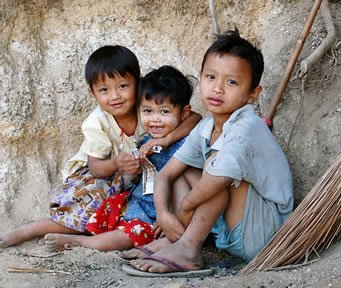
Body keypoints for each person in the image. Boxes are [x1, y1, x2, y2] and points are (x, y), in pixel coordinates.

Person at [0, 46, 200, 249]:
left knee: (114, 216)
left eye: (123, 86)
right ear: (92, 92)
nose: (115, 96)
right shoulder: (97, 121)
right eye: (104, 90)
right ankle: (29, 230)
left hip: (134, 180)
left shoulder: (148, 108)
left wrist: (166, 140)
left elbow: (195, 118)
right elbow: (96, 168)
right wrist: (117, 162)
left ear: (137, 84)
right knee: (83, 215)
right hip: (100, 177)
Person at [128, 29, 294, 274]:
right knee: (185, 168)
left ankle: (187, 248)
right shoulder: (206, 125)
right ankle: (178, 239)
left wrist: (184, 209)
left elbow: (217, 180)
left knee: (215, 168)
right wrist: (164, 215)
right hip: (230, 229)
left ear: (253, 94)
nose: (217, 89)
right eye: (211, 77)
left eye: (232, 82)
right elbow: (166, 174)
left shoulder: (246, 126)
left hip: (262, 233)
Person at [43, 66, 195, 252]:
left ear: (184, 113)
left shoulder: (188, 143)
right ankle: (64, 231)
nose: (155, 119)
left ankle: (82, 243)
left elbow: (185, 184)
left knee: (129, 234)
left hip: (162, 215)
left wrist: (173, 217)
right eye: (147, 111)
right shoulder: (147, 140)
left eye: (164, 112)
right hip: (139, 204)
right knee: (103, 214)